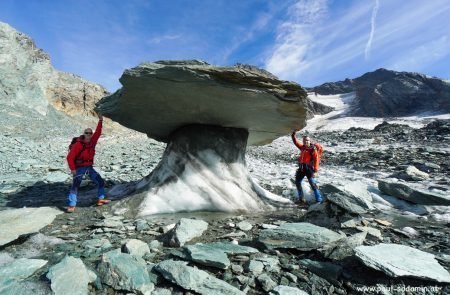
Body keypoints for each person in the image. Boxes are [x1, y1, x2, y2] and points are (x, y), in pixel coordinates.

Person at [66, 113, 110, 212]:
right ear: (84, 133)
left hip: (89, 167)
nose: (89, 134)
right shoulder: (78, 144)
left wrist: (100, 121)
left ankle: (101, 199)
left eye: (90, 133)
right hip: (79, 168)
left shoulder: (92, 141)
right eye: (87, 133)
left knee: (100, 181)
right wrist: (72, 169)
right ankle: (72, 205)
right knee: (75, 186)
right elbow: (70, 157)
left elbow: (98, 132)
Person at [291, 130, 323, 205]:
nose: (306, 142)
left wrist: (315, 171)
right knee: (298, 182)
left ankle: (319, 200)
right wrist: (293, 135)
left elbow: (316, 160)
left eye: (307, 140)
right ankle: (301, 199)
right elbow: (296, 142)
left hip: (309, 169)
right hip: (301, 168)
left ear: (310, 141)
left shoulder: (313, 149)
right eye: (304, 140)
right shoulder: (302, 147)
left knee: (313, 184)